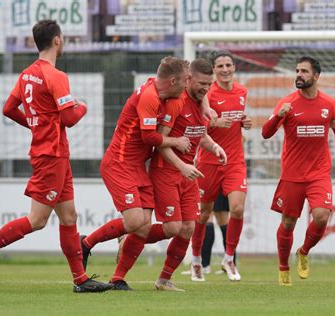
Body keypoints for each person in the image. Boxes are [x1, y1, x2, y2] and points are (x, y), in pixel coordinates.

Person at [0, 20, 113, 293]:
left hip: (54, 153)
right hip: (51, 155)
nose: (63, 41)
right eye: (63, 38)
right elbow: (69, 117)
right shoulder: (55, 75)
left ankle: (80, 280)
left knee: (69, 217)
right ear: (57, 40)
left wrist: (35, 124)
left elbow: (9, 108)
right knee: (37, 220)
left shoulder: (27, 74)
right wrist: (83, 108)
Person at [110, 58, 227, 291]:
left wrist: (214, 146)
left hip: (188, 173)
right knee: (172, 227)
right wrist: (181, 166)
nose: (206, 88)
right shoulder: (176, 101)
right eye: (202, 83)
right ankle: (120, 265)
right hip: (166, 170)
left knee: (188, 228)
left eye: (209, 84)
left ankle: (164, 280)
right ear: (189, 79)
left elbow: (198, 134)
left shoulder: (202, 101)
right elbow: (160, 142)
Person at [79, 56, 194, 290]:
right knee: (134, 221)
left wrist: (207, 106)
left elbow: (195, 97)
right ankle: (86, 243)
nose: (187, 84)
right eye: (185, 80)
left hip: (138, 166)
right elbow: (148, 137)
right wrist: (176, 141)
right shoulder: (150, 96)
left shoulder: (169, 95)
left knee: (141, 226)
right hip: (119, 163)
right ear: (173, 80)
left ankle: (118, 279)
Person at [261, 56, 335, 286]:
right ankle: (283, 268)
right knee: (288, 223)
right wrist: (279, 115)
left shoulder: (329, 104)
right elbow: (265, 133)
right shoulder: (286, 103)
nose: (298, 75)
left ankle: (304, 251)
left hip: (319, 172)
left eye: (304, 71)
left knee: (321, 216)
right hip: (292, 174)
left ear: (316, 76)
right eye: (297, 71)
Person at [189, 50, 252, 282]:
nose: (225, 69)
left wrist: (245, 122)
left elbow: (237, 119)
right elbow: (197, 126)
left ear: (234, 67)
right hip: (208, 162)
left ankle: (228, 258)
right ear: (214, 70)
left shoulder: (242, 92)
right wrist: (214, 121)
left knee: (237, 208)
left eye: (228, 65)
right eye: (220, 66)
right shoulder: (207, 94)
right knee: (203, 214)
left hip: (234, 161)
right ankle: (196, 260)